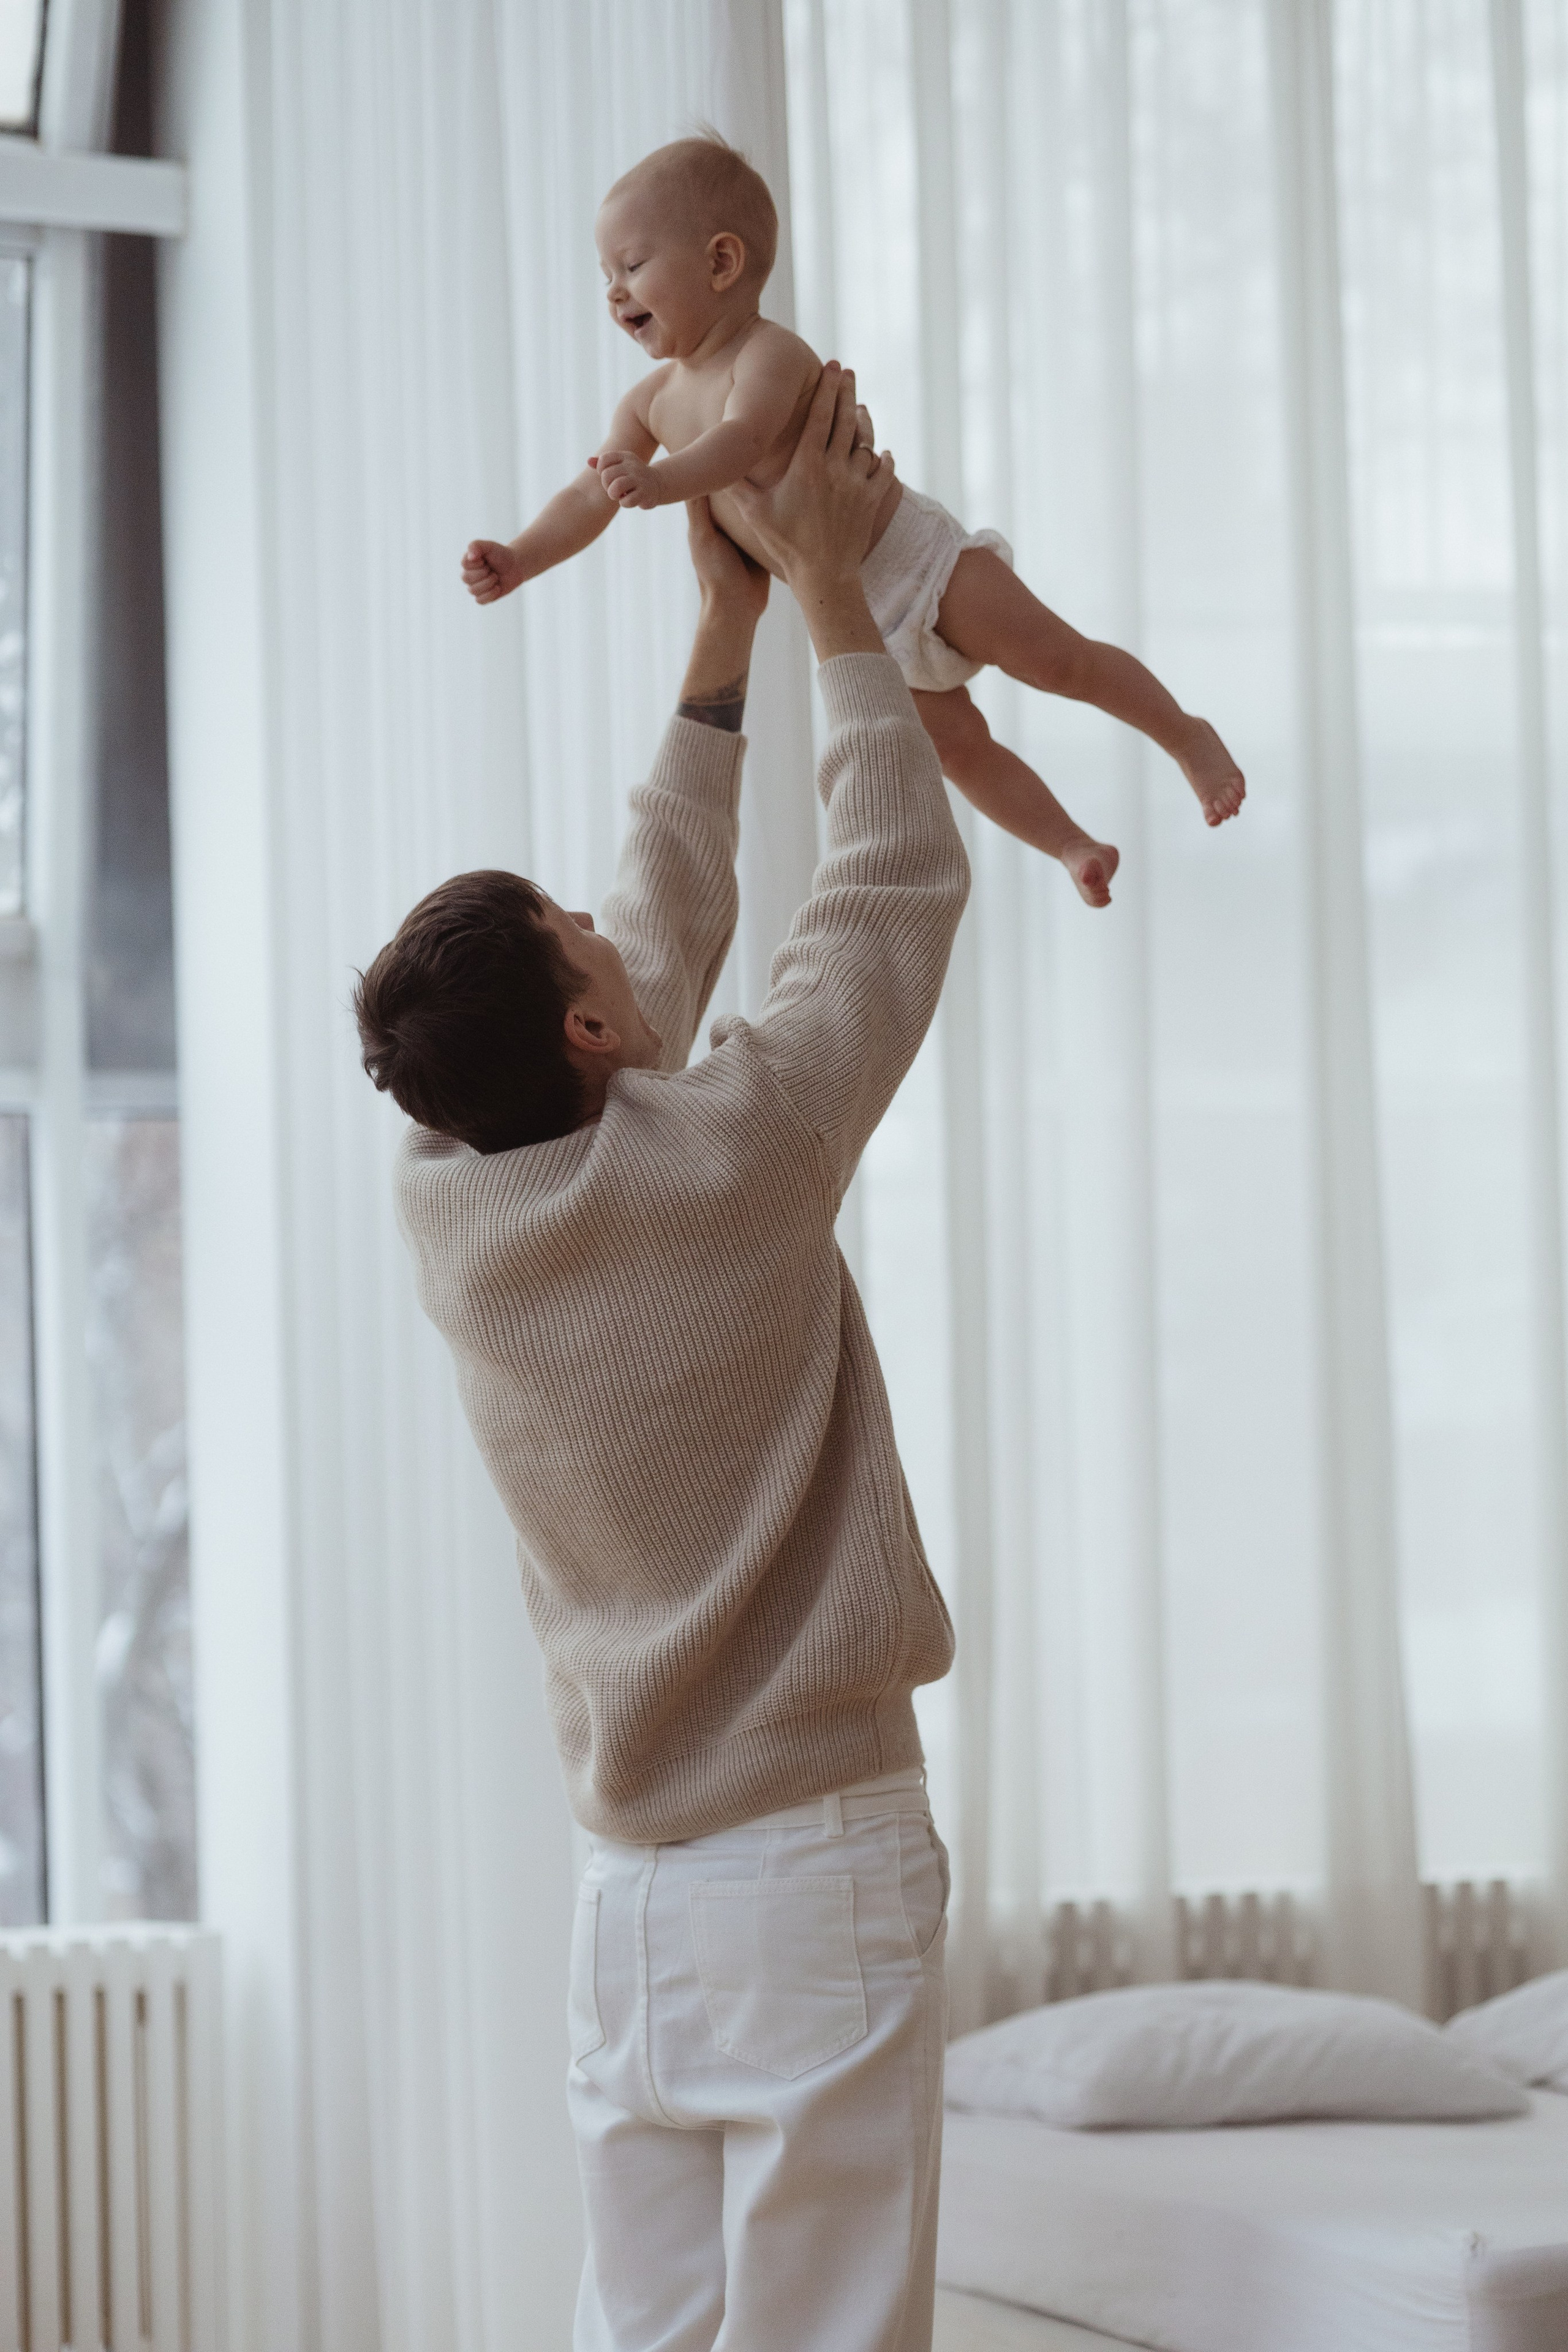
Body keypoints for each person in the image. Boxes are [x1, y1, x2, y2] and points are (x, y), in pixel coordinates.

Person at [356, 368, 963, 2352]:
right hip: (813, 1873)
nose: (606, 938)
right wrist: (837, 602)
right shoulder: (746, 1155)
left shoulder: (454, 1213)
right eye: (576, 943)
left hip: (629, 1906)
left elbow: (651, 938)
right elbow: (886, 892)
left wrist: (718, 635)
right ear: (596, 1040)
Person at [461, 131, 1245, 908]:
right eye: (605, 275)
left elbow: (744, 440)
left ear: (722, 263)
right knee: (959, 752)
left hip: (926, 568)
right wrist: (523, 556)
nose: (613, 291)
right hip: (865, 630)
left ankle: (1184, 734)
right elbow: (588, 491)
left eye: (631, 266)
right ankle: (1071, 844)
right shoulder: (648, 402)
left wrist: (662, 480)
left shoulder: (767, 354)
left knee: (1058, 662)